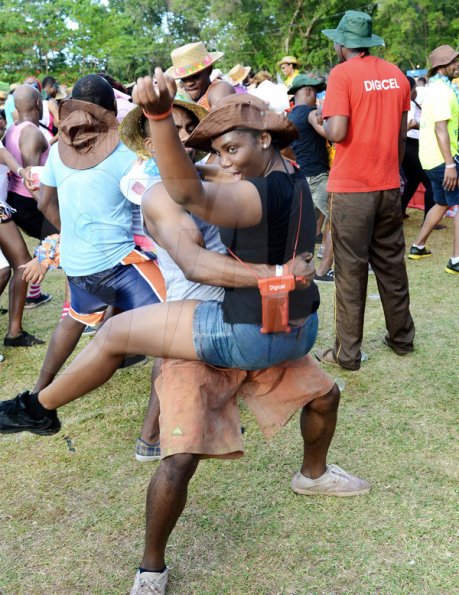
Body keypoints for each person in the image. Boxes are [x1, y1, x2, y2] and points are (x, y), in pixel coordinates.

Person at [0, 75, 325, 438]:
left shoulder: (247, 191)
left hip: (251, 330)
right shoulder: (286, 174)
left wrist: (159, 117)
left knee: (115, 336)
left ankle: (41, 410)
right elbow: (207, 177)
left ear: (264, 140)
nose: (224, 160)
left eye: (232, 149)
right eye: (218, 151)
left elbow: (194, 254)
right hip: (299, 324)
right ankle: (313, 471)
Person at [6, 74, 166, 397]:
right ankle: (168, 419)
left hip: (78, 264)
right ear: (110, 110)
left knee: (73, 321)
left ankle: (37, 394)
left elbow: (44, 201)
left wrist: (69, 235)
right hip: (118, 262)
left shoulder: (60, 151)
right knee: (176, 313)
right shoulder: (124, 150)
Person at [315, 10, 415, 371]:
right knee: (391, 265)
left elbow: (338, 131)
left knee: (350, 271)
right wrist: (393, 173)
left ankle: (347, 353)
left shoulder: (342, 74)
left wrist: (318, 120)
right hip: (389, 185)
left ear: (342, 44)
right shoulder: (397, 75)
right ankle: (402, 338)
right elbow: (402, 135)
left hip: (352, 190)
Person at [408, 45, 459, 275]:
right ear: (441, 67)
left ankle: (418, 247)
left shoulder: (441, 88)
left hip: (431, 157)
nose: (457, 65)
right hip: (442, 159)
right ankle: (456, 261)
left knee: (441, 202)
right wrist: (450, 164)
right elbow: (440, 129)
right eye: (452, 62)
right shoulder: (441, 91)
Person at [287, 74, 334, 283]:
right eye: (315, 91)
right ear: (307, 91)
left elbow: (285, 150)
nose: (316, 95)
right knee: (339, 219)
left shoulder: (291, 116)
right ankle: (323, 271)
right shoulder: (310, 112)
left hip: (304, 175)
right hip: (318, 177)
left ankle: (297, 267)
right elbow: (330, 133)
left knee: (310, 227)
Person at [400, 76, 434, 219]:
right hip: (412, 146)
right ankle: (430, 218)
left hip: (409, 147)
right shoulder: (409, 103)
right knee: (431, 183)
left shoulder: (411, 100)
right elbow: (409, 125)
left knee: (413, 181)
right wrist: (421, 126)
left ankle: (400, 211)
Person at [166, 41, 235, 109]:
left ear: (209, 70)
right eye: (184, 79)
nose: (189, 83)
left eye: (195, 76)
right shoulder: (188, 99)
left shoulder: (219, 89)